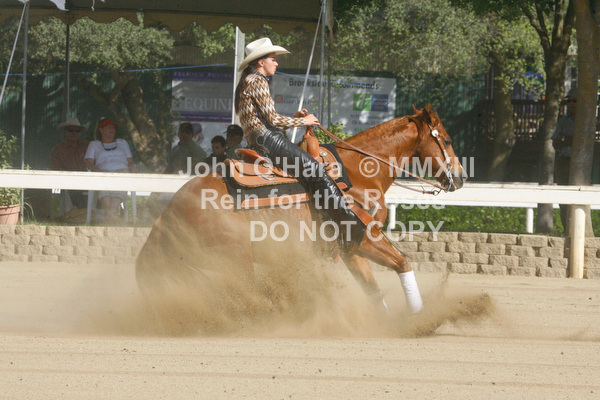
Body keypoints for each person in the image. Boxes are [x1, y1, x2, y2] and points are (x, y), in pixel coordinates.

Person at [234, 37, 366, 251]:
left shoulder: (248, 80)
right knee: (317, 170)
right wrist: (303, 121)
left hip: (261, 139)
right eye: (273, 59)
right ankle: (350, 225)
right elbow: (273, 120)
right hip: (268, 140)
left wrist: (294, 118)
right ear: (261, 62)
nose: (276, 63)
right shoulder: (257, 80)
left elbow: (266, 119)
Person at [84, 117, 137, 223]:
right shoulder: (94, 144)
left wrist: (132, 167)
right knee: (104, 189)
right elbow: (88, 162)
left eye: (113, 127)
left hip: (122, 171)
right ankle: (112, 216)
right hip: (103, 171)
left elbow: (130, 161)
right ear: (101, 129)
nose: (112, 129)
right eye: (109, 127)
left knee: (120, 184)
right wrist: (95, 168)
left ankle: (109, 215)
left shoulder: (122, 143)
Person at [50, 117, 90, 209]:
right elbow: (55, 168)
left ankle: (102, 213)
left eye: (77, 131)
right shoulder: (58, 149)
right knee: (73, 188)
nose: (74, 133)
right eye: (71, 130)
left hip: (88, 180)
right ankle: (81, 211)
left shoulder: (88, 146)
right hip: (69, 182)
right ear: (65, 132)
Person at [552, 87, 576, 233]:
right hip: (563, 161)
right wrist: (569, 140)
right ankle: (566, 229)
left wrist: (566, 140)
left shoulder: (585, 122)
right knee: (563, 197)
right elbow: (555, 142)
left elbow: (581, 142)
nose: (571, 104)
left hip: (577, 165)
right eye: (569, 101)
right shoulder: (563, 121)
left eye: (574, 101)